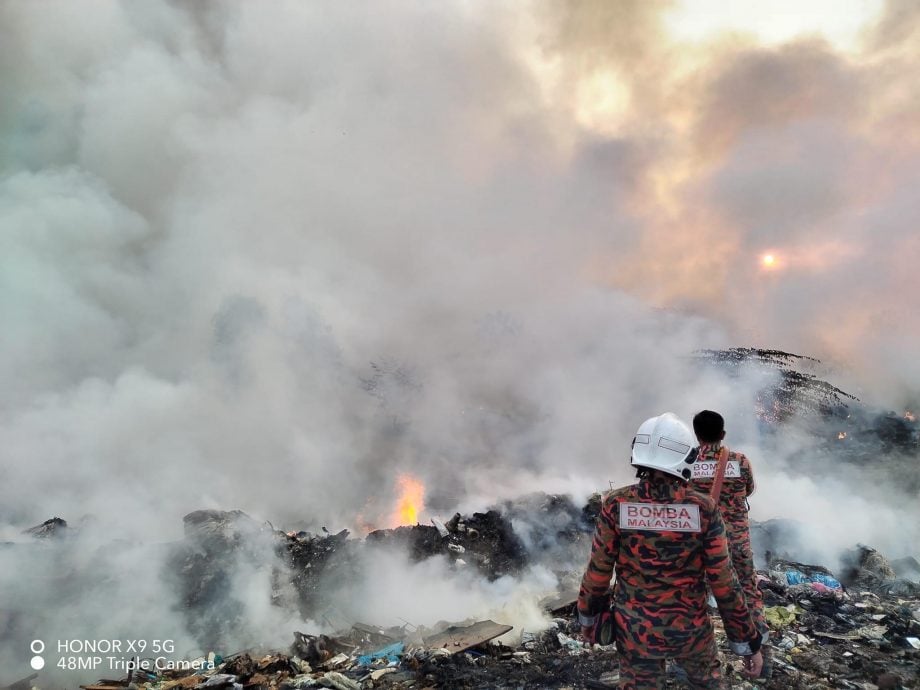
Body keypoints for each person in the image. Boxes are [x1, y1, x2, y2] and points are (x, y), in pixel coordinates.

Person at [577, 412, 763, 689]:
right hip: (691, 632)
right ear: (686, 457)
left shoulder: (617, 504)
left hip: (635, 633)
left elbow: (598, 572)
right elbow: (724, 582)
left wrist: (588, 619)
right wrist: (746, 642)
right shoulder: (703, 509)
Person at [688, 410, 770, 676]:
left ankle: (692, 662)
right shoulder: (739, 461)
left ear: (696, 434)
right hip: (735, 541)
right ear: (722, 434)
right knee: (747, 592)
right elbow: (748, 490)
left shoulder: (686, 462)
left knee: (693, 596)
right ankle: (758, 653)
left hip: (699, 542)